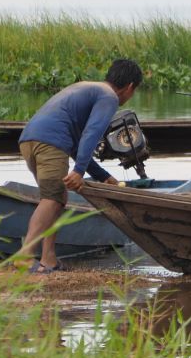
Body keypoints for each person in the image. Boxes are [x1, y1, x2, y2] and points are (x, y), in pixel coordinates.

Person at [17, 58, 143, 273]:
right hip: (50, 143)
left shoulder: (87, 87)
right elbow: (91, 134)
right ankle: (25, 255)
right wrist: (78, 171)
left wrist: (103, 177)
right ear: (130, 87)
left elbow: (76, 145)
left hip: (28, 141)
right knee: (52, 199)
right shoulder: (109, 97)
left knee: (57, 198)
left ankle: (49, 260)